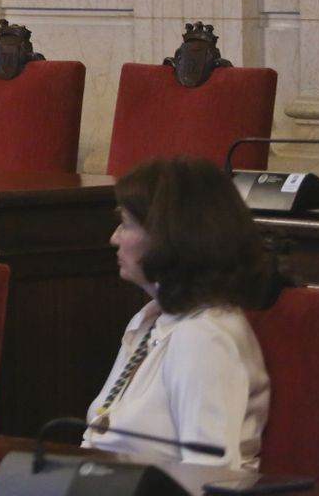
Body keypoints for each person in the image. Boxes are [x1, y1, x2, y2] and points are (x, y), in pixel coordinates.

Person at [83, 158, 270, 469]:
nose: (114, 238)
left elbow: (209, 475)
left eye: (126, 224)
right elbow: (103, 432)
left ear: (170, 237)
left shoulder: (203, 338)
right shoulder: (153, 318)